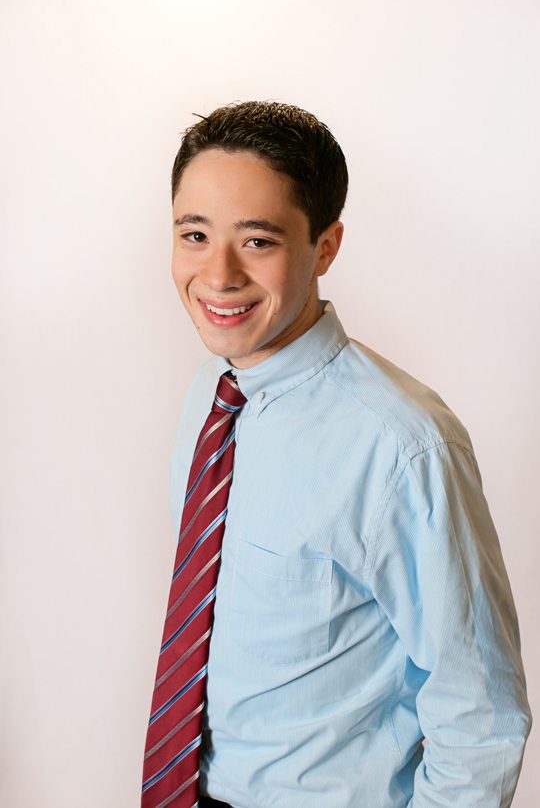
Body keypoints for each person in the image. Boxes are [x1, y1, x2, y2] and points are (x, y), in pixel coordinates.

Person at [142, 101, 531, 807]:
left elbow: (481, 718)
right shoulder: (211, 396)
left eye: (257, 240)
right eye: (195, 235)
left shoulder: (403, 445)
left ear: (325, 247)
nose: (219, 274)